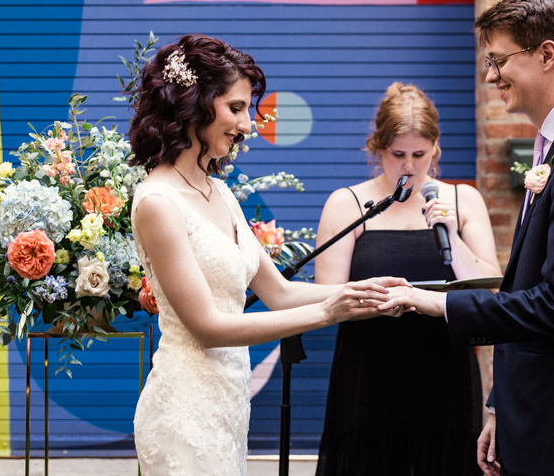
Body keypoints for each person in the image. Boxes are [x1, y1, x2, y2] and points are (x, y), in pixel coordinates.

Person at [380, 0, 554, 476]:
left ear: (546, 55)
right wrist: (498, 404)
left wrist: (434, 301)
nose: (490, 76)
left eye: (499, 60)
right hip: (544, 412)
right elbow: (526, 288)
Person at [127, 34, 406, 476]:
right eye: (236, 108)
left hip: (228, 405)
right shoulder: (158, 202)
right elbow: (209, 328)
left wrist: (358, 293)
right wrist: (329, 313)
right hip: (183, 411)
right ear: (194, 103)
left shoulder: (218, 190)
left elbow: (278, 292)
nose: (248, 124)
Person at [313, 82, 501, 475]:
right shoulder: (347, 203)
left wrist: (451, 235)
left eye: (419, 153)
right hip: (370, 376)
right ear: (377, 149)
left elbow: (489, 288)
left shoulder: (462, 201)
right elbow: (326, 299)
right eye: (398, 154)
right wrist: (383, 299)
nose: (410, 166)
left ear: (435, 147)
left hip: (446, 374)